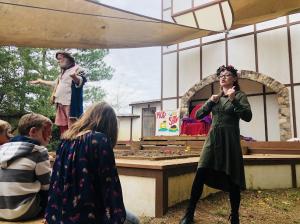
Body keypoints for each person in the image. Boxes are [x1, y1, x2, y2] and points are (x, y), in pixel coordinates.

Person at [179, 65, 252, 224]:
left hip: (230, 141)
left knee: (233, 178)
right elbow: (198, 115)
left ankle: (235, 216)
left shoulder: (239, 95)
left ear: (234, 78)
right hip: (212, 140)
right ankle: (189, 214)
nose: (223, 77)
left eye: (227, 75)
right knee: (200, 172)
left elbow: (247, 116)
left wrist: (233, 100)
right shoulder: (216, 98)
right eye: (221, 75)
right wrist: (210, 102)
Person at [45, 102, 140, 224]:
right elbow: (110, 186)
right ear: (109, 125)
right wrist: (116, 218)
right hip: (87, 215)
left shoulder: (65, 141)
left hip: (60, 215)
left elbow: (55, 180)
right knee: (134, 221)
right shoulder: (99, 140)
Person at [0, 113, 52, 221]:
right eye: (48, 132)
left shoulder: (3, 149)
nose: (50, 136)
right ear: (33, 131)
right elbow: (46, 186)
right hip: (24, 211)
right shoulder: (39, 151)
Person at [30, 51, 87, 136]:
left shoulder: (78, 69)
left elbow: (81, 81)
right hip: (59, 103)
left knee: (73, 126)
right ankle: (64, 143)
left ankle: (74, 144)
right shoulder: (62, 73)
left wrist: (75, 77)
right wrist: (41, 81)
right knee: (62, 126)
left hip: (70, 103)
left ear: (68, 58)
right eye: (58, 59)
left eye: (60, 58)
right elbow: (55, 84)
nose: (58, 61)